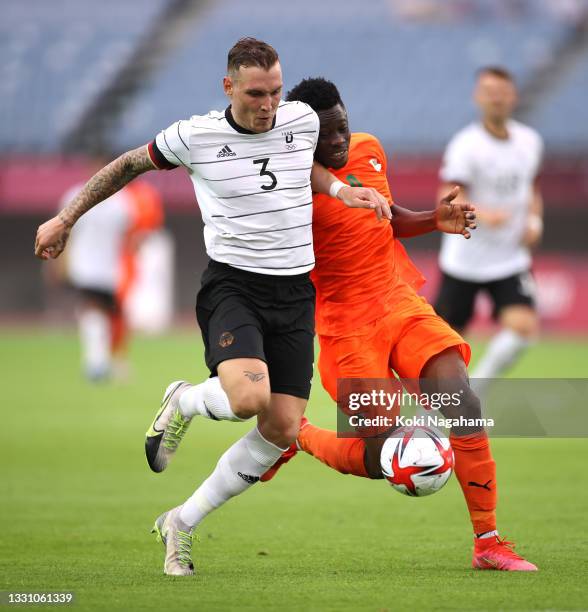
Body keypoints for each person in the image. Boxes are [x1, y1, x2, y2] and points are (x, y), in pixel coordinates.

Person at [34, 38, 390, 576]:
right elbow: (127, 165)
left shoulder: (300, 120)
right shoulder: (194, 136)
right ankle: (185, 401)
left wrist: (342, 192)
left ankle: (180, 522)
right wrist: (67, 218)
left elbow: (300, 169)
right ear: (228, 87)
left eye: (274, 91)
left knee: (284, 428)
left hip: (295, 292)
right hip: (235, 287)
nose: (268, 105)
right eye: (255, 94)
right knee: (249, 397)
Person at [261, 76, 536, 571]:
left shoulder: (370, 150)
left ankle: (488, 542)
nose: (339, 140)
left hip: (397, 300)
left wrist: (434, 218)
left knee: (463, 403)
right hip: (346, 327)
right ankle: (297, 435)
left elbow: (386, 219)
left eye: (342, 126)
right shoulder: (291, 184)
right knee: (386, 451)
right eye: (326, 135)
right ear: (305, 137)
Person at [434, 67, 544, 393]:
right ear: (478, 97)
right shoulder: (466, 145)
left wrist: (535, 222)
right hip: (465, 258)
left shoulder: (530, 141)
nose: (497, 98)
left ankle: (475, 394)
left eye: (503, 91)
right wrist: (482, 214)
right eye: (489, 91)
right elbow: (449, 195)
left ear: (514, 96)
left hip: (509, 257)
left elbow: (532, 188)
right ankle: (427, 415)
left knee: (523, 328)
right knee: (445, 346)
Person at [55, 160, 164, 381]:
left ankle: (104, 360)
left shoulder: (85, 197)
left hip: (106, 267)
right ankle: (97, 362)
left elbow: (64, 231)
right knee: (94, 310)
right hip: (96, 266)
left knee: (105, 313)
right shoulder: (120, 201)